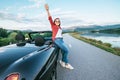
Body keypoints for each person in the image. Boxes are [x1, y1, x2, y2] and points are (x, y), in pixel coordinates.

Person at [44, 4, 74, 70]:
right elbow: (50, 18)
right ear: (54, 22)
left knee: (63, 51)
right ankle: (66, 63)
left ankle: (62, 62)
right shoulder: (53, 26)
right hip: (57, 40)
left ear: (59, 22)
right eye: (56, 20)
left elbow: (60, 34)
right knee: (66, 50)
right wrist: (47, 10)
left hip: (61, 40)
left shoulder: (60, 27)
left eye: (58, 21)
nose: (57, 21)